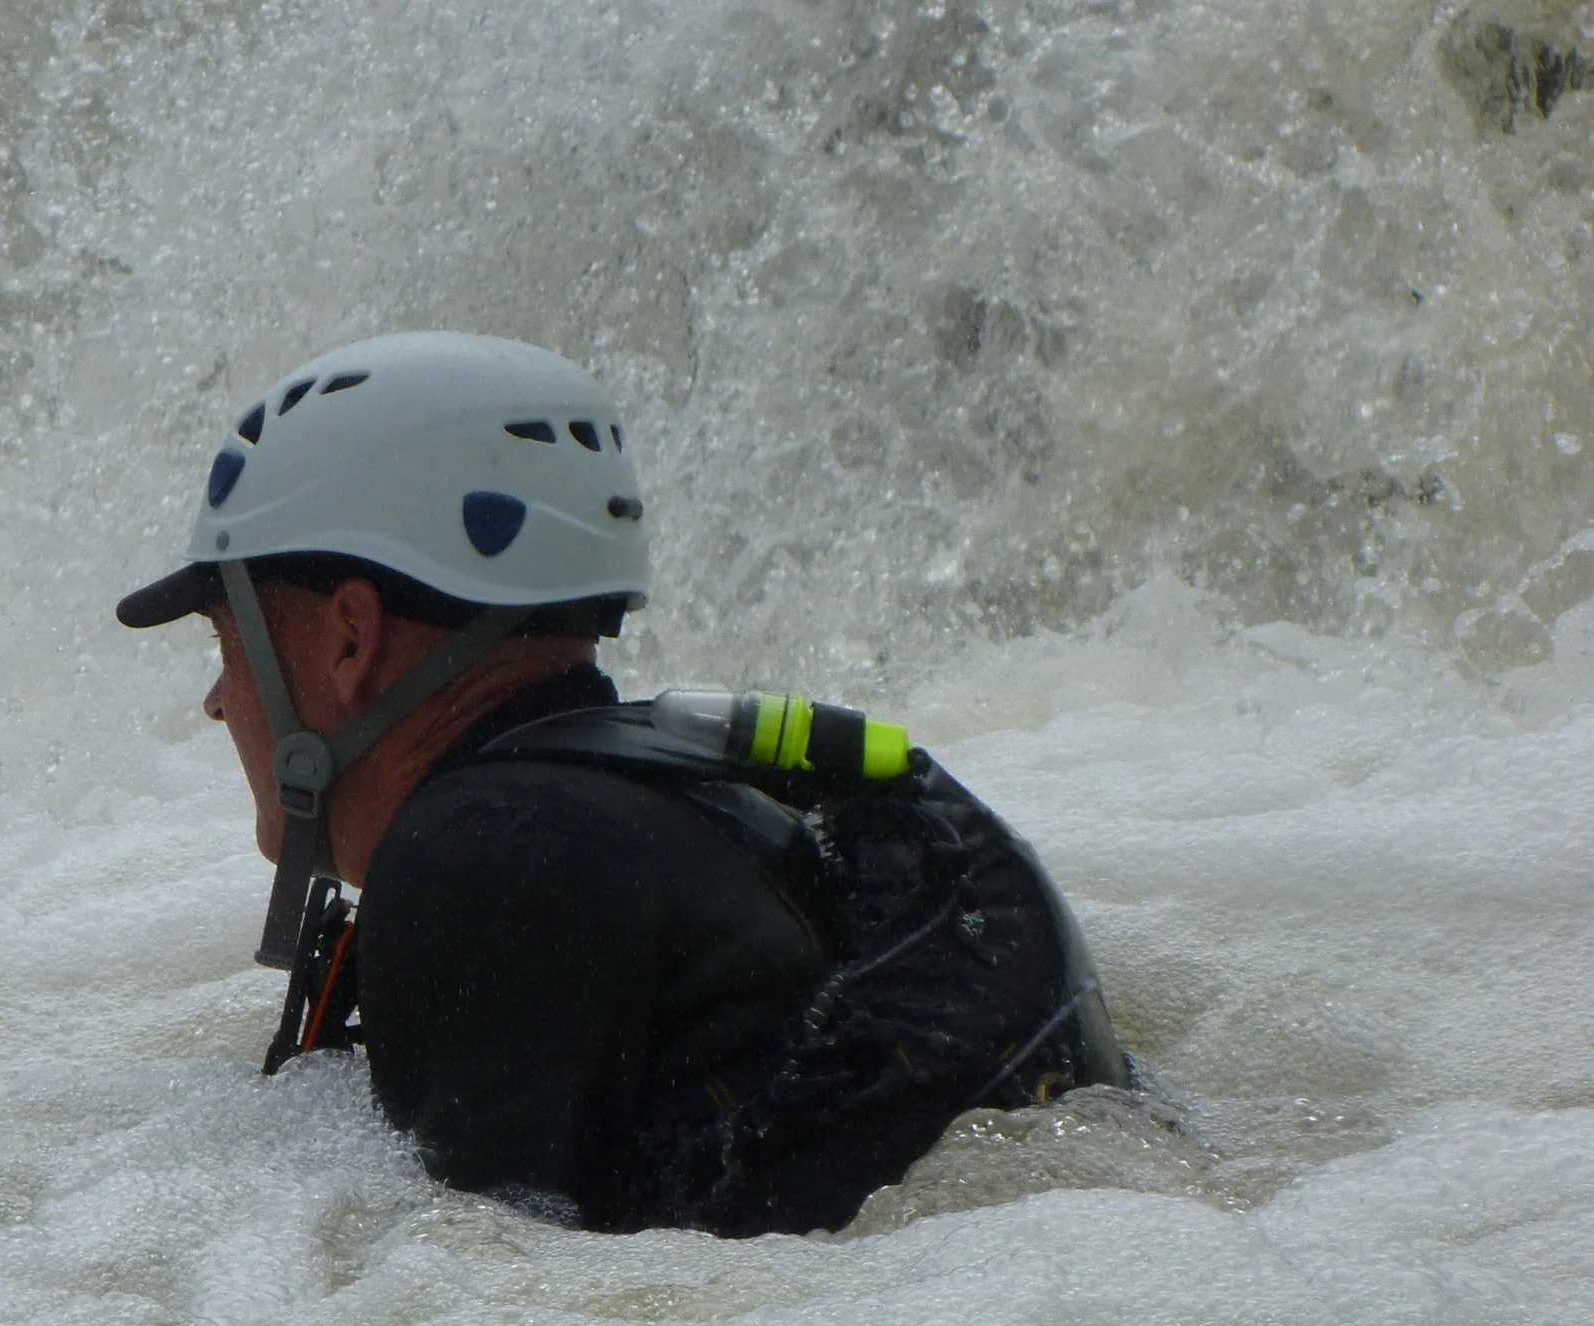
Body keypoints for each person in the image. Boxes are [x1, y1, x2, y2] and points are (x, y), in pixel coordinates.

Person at [117, 331, 1126, 1234]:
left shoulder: (485, 858)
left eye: (228, 637)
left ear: (350, 636)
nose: (217, 700)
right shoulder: (691, 804)